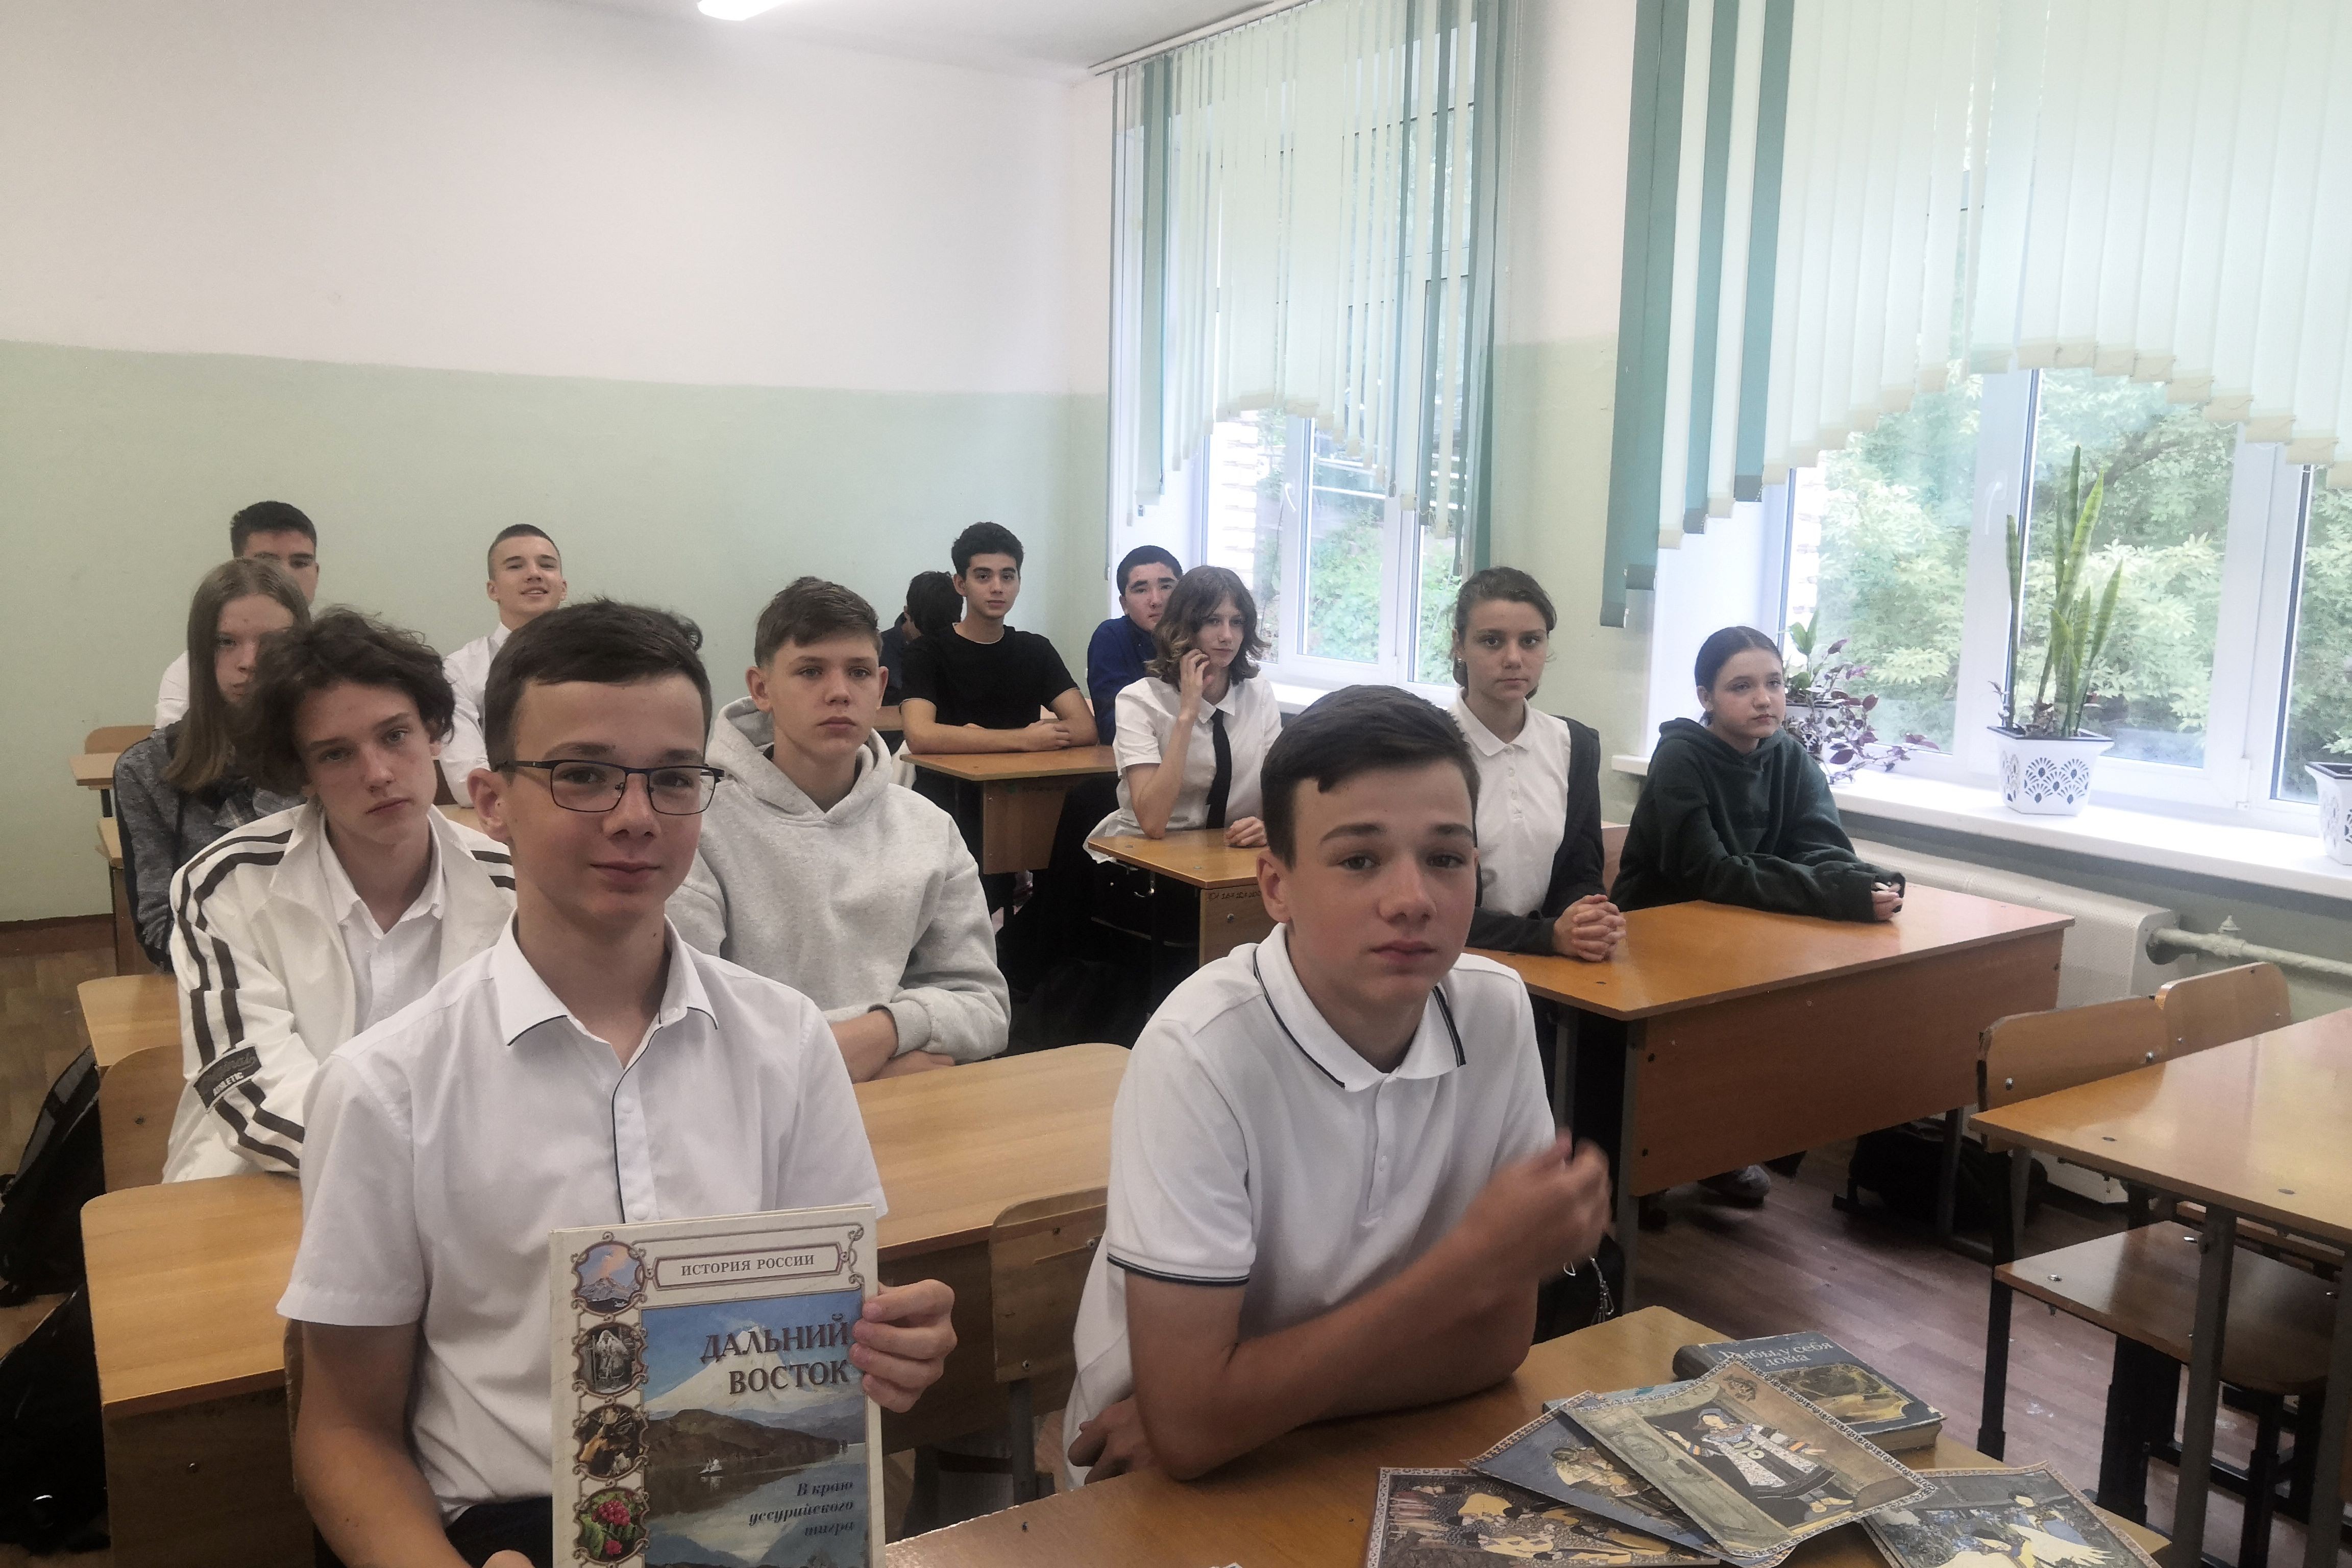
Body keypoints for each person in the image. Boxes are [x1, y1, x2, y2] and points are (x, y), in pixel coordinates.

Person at [279, 600, 957, 1568]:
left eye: (673, 778)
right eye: (584, 775)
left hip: (751, 1518)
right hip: (518, 1528)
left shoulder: (787, 1040)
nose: (636, 817)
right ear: (491, 801)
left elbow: (817, 1311)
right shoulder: (387, 1087)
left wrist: (886, 1340)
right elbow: (344, 1431)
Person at [1060, 685, 1612, 1487]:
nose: (1412, 901)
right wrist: (1467, 1269)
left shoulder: (1495, 1009)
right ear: (1275, 886)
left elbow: (1497, 1346)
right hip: (1155, 1490)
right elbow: (1185, 1433)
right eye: (1359, 861)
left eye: (1447, 859)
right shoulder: (1201, 1050)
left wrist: (1238, 1405)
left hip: (1369, 1443)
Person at [161, 611, 516, 1181]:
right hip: (266, 1181)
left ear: (433, 733)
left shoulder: (513, 886)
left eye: (395, 736)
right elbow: (254, 1087)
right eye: (335, 754)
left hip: (462, 1183)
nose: (378, 773)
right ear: (302, 774)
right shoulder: (225, 884)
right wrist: (410, 1169)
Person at [1610, 624, 1903, 1212]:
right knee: (1690, 1043)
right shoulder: (1680, 758)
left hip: (1747, 933)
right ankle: (1645, 1164)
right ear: (1706, 697)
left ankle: (1721, 1149)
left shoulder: (1787, 755)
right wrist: (1833, 891)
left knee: (1793, 1019)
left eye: (1774, 683)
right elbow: (1711, 874)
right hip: (1660, 939)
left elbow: (1822, 849)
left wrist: (1864, 882)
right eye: (1741, 687)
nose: (1764, 699)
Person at [672, 577, 1008, 1080]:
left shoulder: (929, 828)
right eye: (810, 671)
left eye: (859, 672)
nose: (839, 693)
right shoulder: (695, 824)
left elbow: (985, 1007)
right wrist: (853, 1068)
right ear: (761, 689)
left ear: (881, 686)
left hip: (900, 1107)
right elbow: (684, 1026)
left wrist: (886, 1032)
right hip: (753, 1116)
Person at [115, 560, 310, 969]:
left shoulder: (328, 751)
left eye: (273, 643)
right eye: (226, 642)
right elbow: (160, 932)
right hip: (222, 983)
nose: (249, 661)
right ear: (201, 653)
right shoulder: (146, 770)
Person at [899, 522, 1097, 908]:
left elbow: (1084, 727)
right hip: (950, 805)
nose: (997, 587)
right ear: (960, 584)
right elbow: (921, 735)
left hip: (1022, 800)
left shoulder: (1034, 650)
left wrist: (972, 737)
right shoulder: (927, 653)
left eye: (1008, 576)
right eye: (983, 576)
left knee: (1070, 864)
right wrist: (1022, 739)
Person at [1448, 569, 1622, 961]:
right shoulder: (1427, 747)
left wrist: (1587, 921)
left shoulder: (1574, 745)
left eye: (1530, 641)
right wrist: (1546, 937)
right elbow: (1433, 898)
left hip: (1547, 964)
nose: (1514, 659)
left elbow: (1581, 872)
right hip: (1450, 962)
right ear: (1459, 645)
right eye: (1492, 641)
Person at [1089, 566, 1279, 852]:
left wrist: (1269, 826)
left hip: (1228, 852)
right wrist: (1187, 715)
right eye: (1213, 621)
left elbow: (1278, 787)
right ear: (1185, 627)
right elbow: (1153, 823)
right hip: (1145, 857)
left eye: (1237, 622)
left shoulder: (1258, 692)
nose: (1227, 635)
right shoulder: (1139, 701)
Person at [156, 501, 320, 726]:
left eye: (300, 563)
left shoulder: (337, 661)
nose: (286, 574)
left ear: (316, 572)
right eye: (267, 562)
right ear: (239, 568)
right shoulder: (189, 671)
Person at [439, 526, 570, 796]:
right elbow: (466, 782)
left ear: (563, 588)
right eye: (515, 566)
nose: (534, 574)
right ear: (493, 590)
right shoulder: (460, 670)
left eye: (547, 565)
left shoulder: (600, 662)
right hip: (504, 816)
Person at [1087, 546, 1181, 748]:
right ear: (1124, 604)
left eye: (1166, 587)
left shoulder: (1199, 635)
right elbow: (1114, 726)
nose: (1156, 600)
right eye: (1141, 590)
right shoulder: (1111, 637)